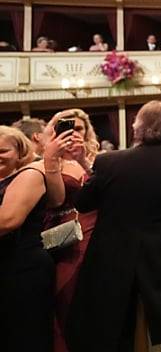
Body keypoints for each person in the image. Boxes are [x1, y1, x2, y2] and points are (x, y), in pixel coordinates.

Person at [66, 101, 161, 352]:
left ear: (137, 126)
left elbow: (84, 202)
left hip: (113, 254)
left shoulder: (108, 161)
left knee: (114, 327)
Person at [0, 126, 67, 352]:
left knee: (24, 338)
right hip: (8, 267)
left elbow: (8, 220)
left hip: (21, 269)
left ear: (20, 152)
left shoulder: (30, 174)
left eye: (3, 151)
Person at [39, 109, 98, 352]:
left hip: (91, 230)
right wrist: (51, 160)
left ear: (87, 133)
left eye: (79, 128)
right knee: (58, 294)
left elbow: (107, 188)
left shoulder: (98, 159)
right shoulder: (40, 161)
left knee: (85, 295)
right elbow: (56, 200)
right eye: (63, 128)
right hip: (55, 233)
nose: (72, 133)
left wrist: (83, 161)